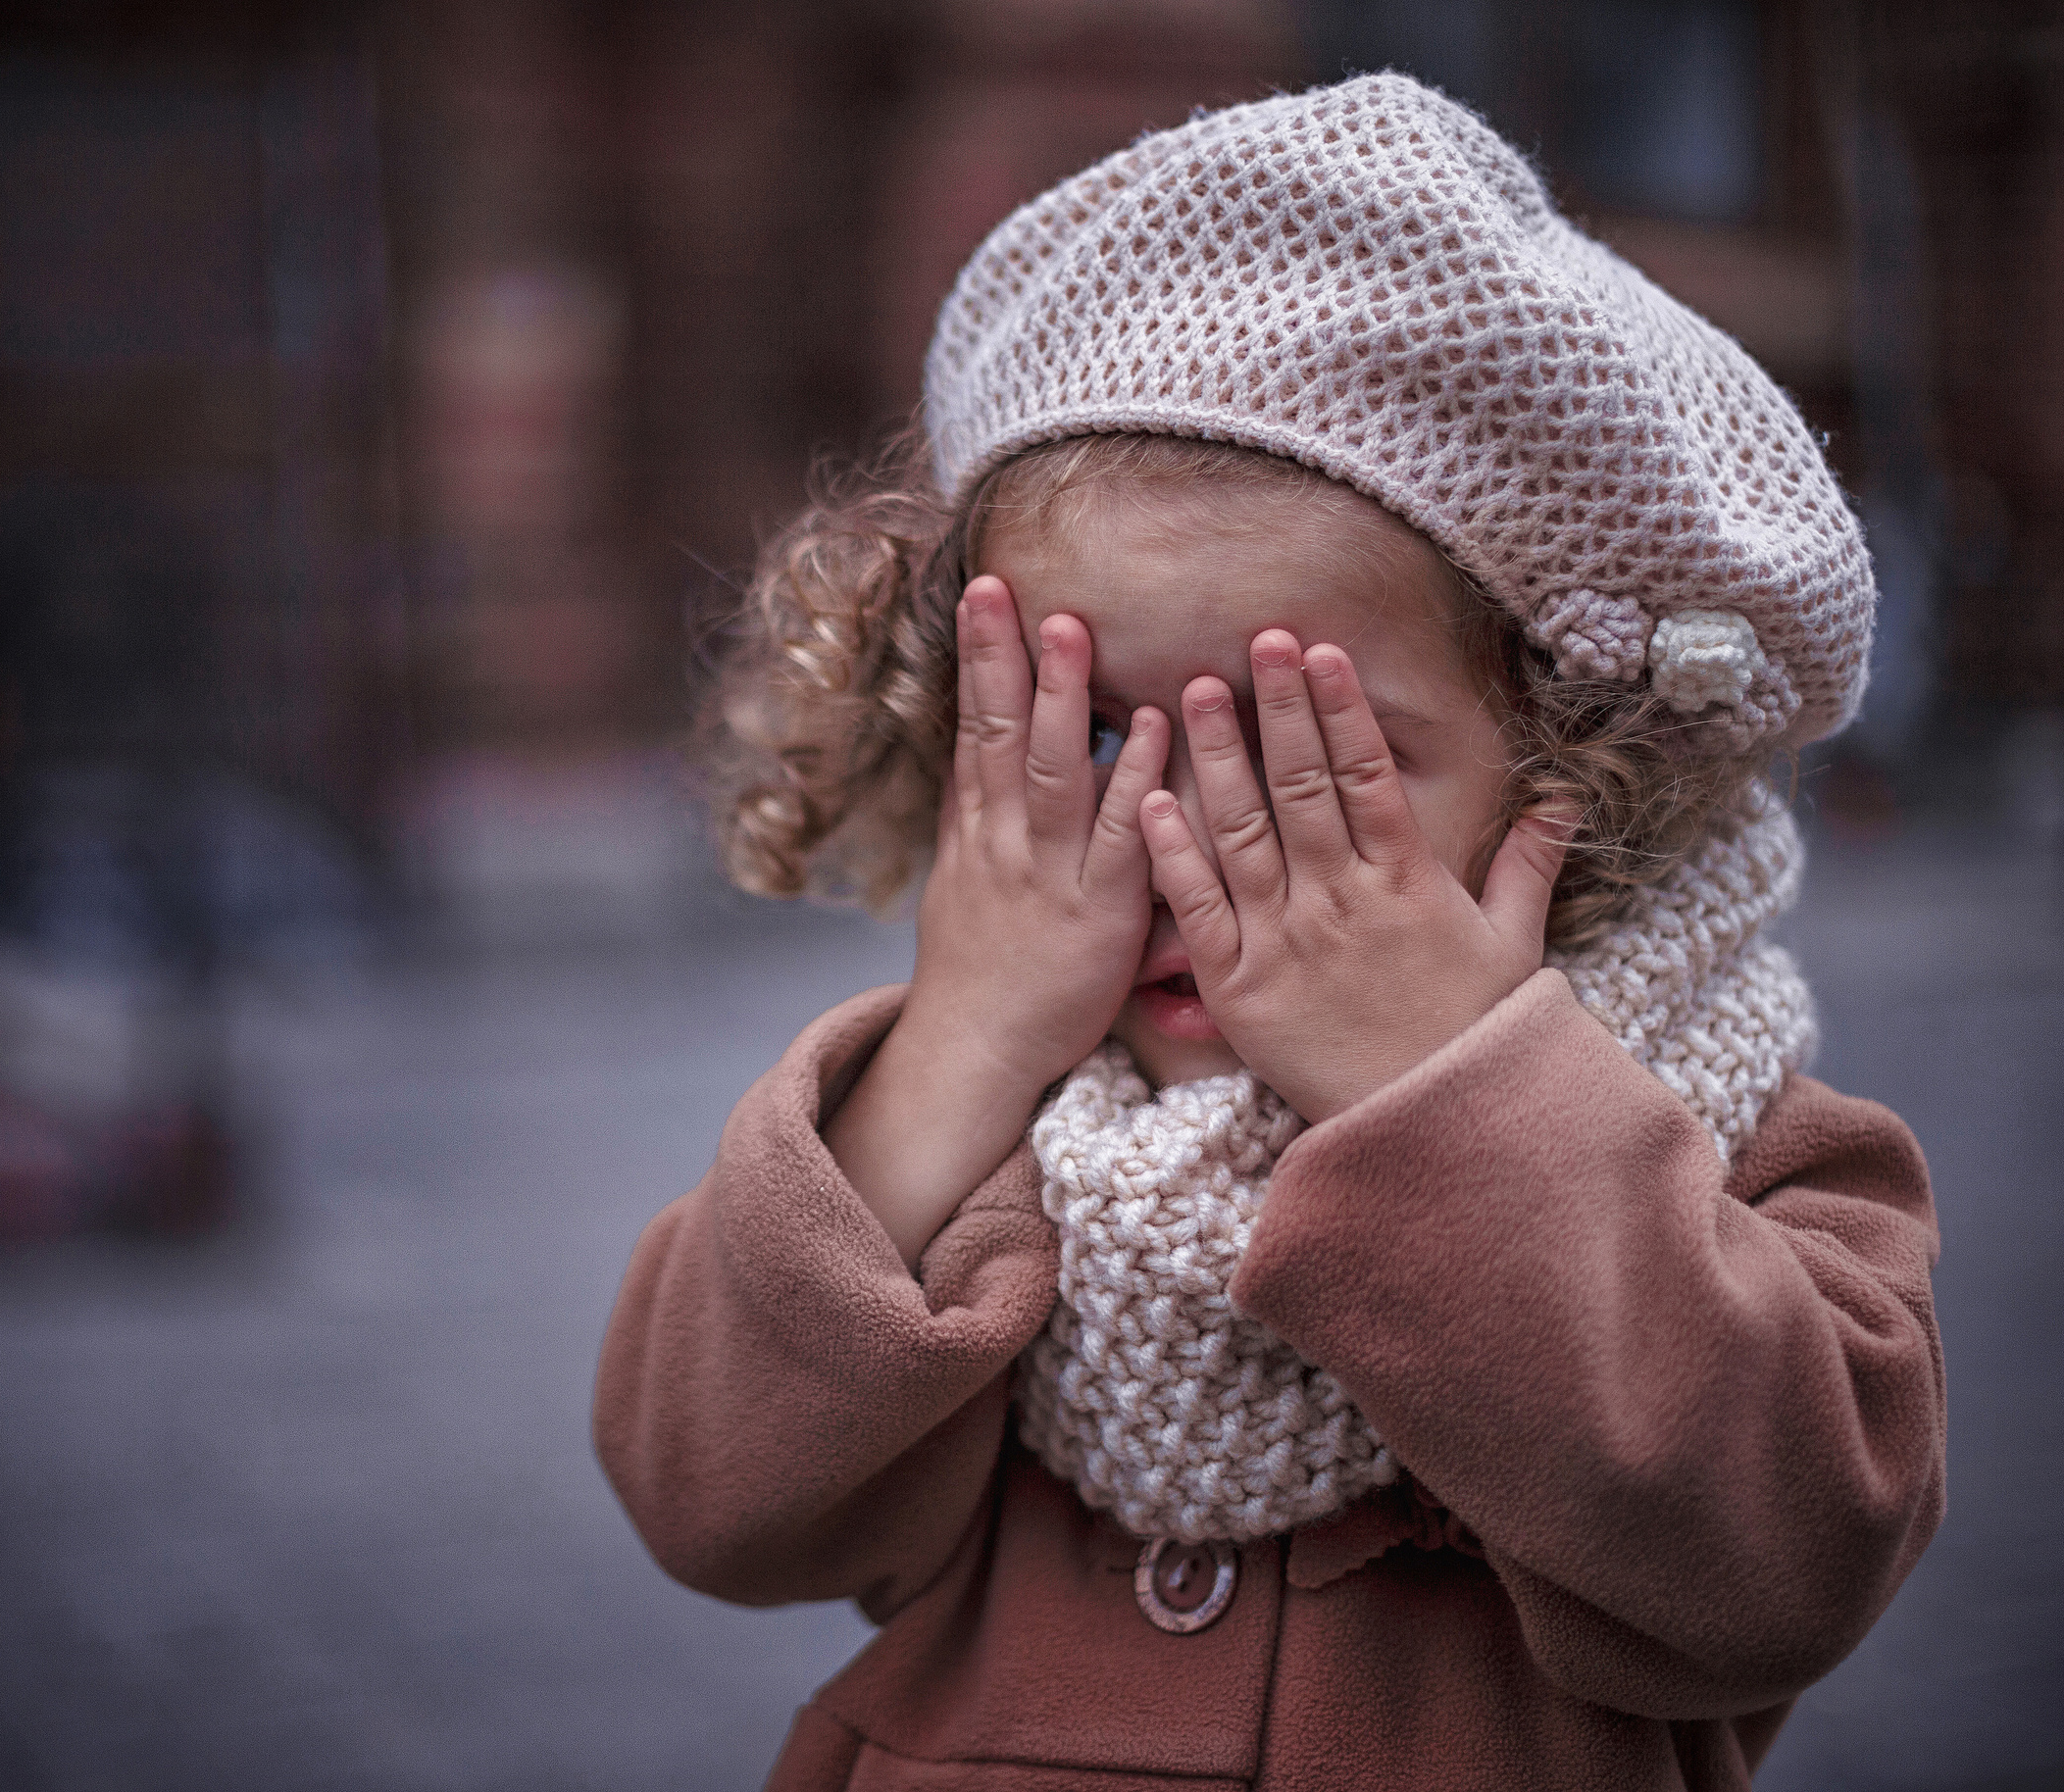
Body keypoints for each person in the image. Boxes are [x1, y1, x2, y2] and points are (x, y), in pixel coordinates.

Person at [594, 74, 1942, 1792]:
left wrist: (1442, 1085)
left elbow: (1783, 1567)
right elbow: (705, 1498)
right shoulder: (978, 1136)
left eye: (1313, 757)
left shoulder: (1730, 1145)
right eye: (1088, 731)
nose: (1176, 831)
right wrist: (958, 1046)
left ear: (1564, 764)